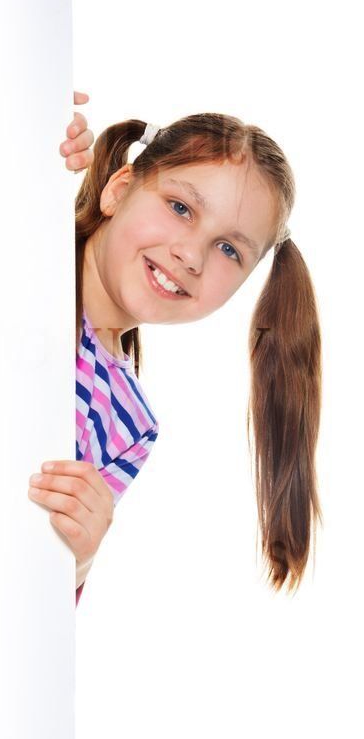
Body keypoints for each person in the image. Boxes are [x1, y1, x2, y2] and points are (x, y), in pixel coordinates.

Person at [39, 94, 322, 605]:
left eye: (229, 249)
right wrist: (33, 133)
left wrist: (77, 559)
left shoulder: (129, 423)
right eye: (180, 208)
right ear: (118, 189)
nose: (191, 255)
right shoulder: (28, 250)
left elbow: (39, 605)